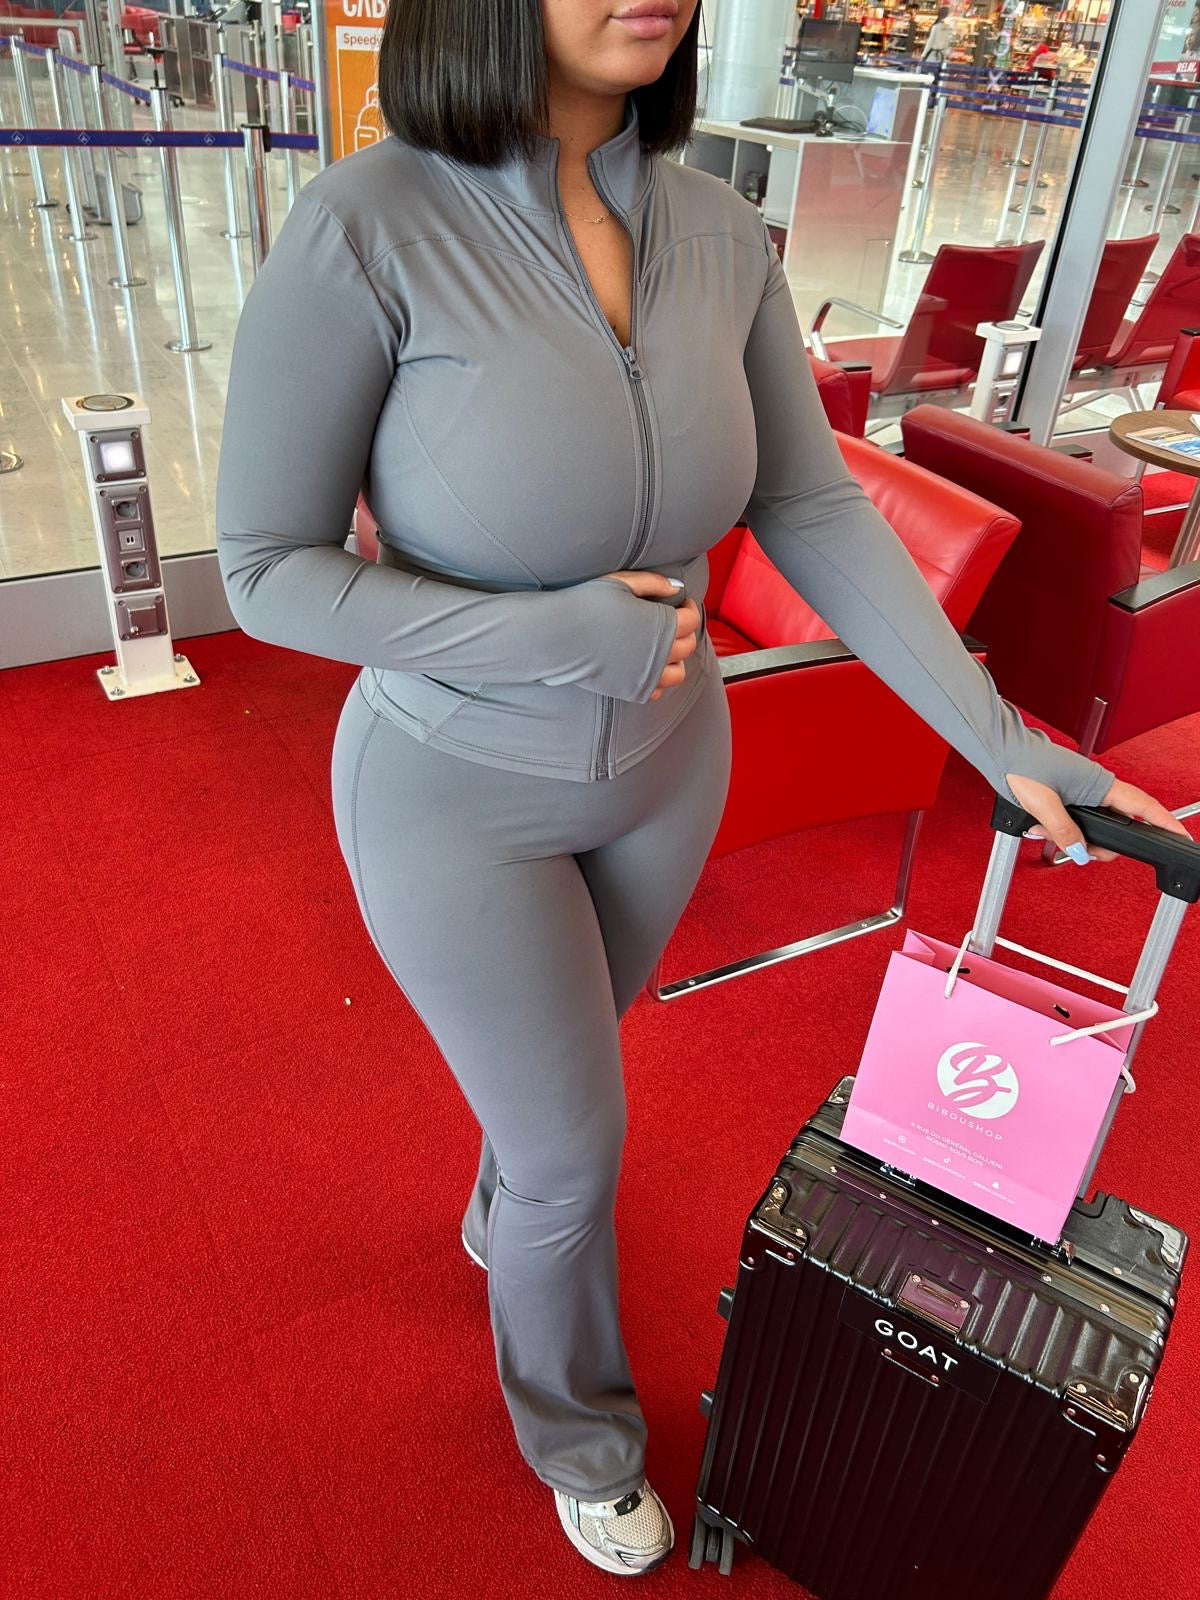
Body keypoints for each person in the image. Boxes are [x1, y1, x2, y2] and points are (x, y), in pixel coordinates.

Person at [214, 0, 1189, 1577]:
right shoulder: (367, 225)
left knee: (559, 1091)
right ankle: (580, 1435)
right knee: (573, 1154)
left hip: (670, 769)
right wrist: (547, 634)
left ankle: (510, 1211)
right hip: (455, 787)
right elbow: (265, 569)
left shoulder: (722, 230)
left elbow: (810, 504)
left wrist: (997, 734)